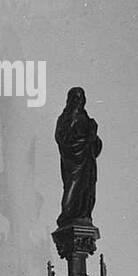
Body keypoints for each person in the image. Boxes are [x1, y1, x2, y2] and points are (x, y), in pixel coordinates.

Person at [55, 87, 102, 227]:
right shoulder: (64, 118)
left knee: (87, 189)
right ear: (70, 100)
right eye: (75, 97)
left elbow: (96, 146)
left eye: (81, 98)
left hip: (87, 161)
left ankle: (83, 214)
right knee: (73, 187)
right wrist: (84, 140)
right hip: (74, 163)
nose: (78, 100)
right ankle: (68, 215)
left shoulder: (87, 119)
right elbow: (62, 138)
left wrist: (92, 136)